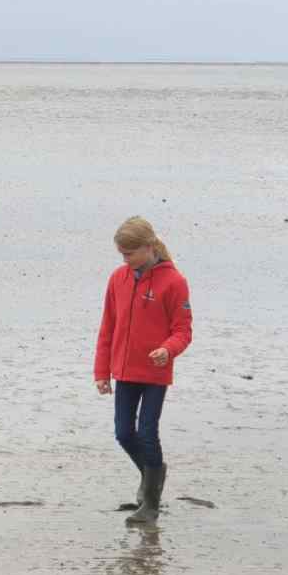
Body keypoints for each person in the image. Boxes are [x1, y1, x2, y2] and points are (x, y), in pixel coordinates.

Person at [93, 217, 192, 525]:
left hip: (154, 372)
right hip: (123, 371)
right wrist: (101, 371)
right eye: (121, 254)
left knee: (147, 432)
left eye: (130, 253)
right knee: (124, 433)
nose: (125, 260)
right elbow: (107, 326)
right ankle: (153, 477)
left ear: (149, 247)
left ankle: (150, 502)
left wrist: (167, 350)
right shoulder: (117, 279)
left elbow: (183, 331)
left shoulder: (174, 282)